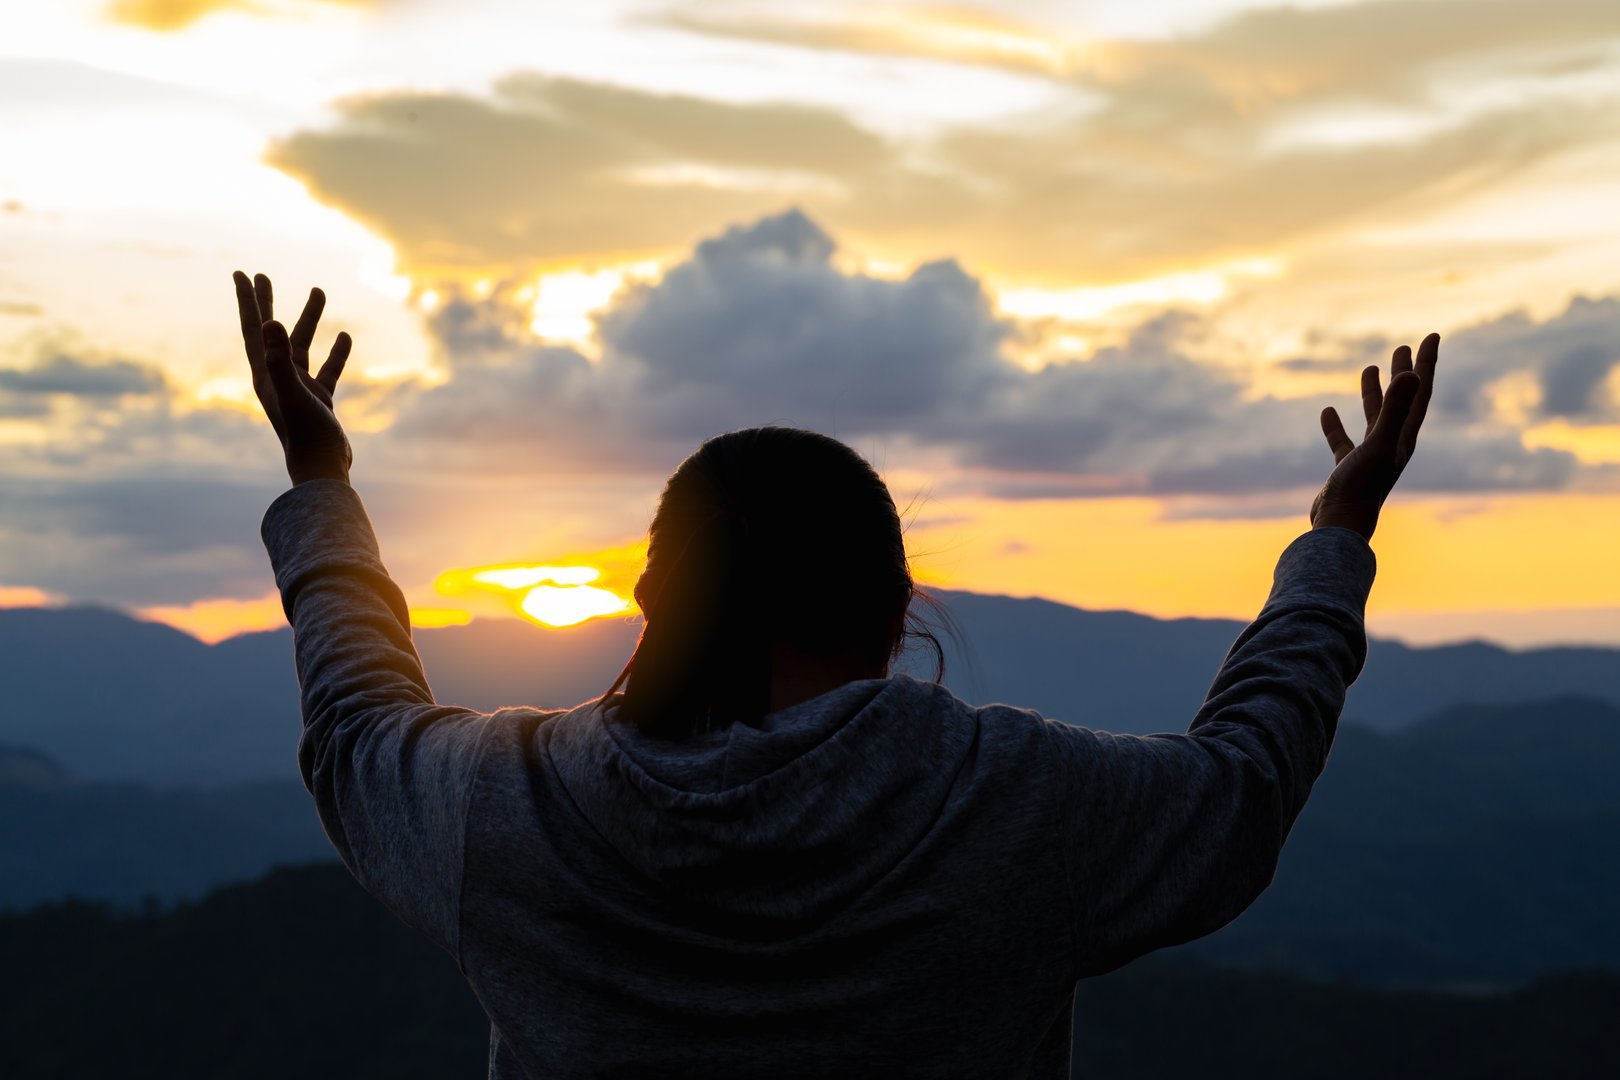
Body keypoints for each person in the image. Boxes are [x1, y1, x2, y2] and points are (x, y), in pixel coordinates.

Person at [232, 270, 1438, 1078]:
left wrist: (322, 480)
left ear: (653, 603)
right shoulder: (1014, 806)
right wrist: (1336, 539)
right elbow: (1243, 780)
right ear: (895, 610)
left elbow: (353, 724)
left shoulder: (509, 811)